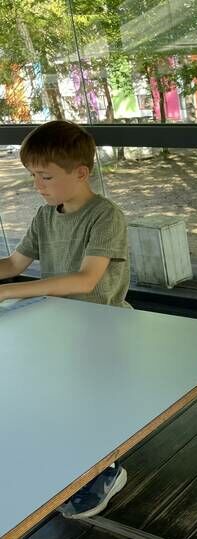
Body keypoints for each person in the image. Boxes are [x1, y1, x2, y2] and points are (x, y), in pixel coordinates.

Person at [0, 120, 130, 518]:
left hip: (102, 326)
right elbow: (14, 264)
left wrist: (7, 292)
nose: (37, 185)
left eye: (46, 176)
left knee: (92, 404)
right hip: (57, 324)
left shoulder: (105, 216)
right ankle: (70, 467)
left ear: (80, 173)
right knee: (54, 399)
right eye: (33, 176)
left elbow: (86, 280)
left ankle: (107, 471)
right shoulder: (45, 216)